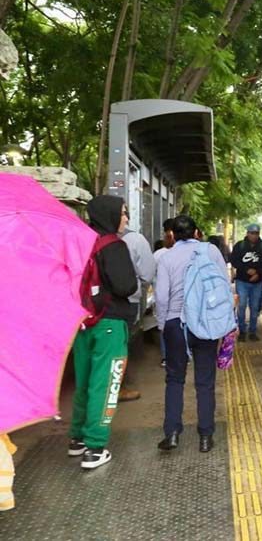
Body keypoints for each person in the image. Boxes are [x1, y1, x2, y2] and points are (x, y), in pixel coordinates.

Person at [68, 195, 138, 470]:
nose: (126, 218)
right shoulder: (113, 245)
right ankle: (95, 448)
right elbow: (126, 286)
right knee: (105, 384)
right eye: (123, 213)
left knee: (84, 381)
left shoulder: (80, 242)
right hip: (110, 324)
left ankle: (77, 439)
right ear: (110, 215)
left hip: (84, 323)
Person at [154, 215, 229, 454]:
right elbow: (223, 287)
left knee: (175, 379)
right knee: (205, 382)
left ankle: (172, 433)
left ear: (172, 235)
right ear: (197, 232)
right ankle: (206, 436)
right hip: (206, 324)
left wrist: (163, 325)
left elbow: (162, 297)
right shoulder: (211, 251)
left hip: (176, 324)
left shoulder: (166, 258)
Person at [119, 225, 156, 401]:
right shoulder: (134, 239)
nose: (126, 218)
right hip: (127, 301)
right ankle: (118, 387)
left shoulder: (89, 236)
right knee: (121, 344)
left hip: (95, 305)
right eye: (123, 213)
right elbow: (147, 274)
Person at [231, 224, 262, 342]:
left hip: (257, 283)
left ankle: (253, 331)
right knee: (242, 305)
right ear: (247, 233)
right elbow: (234, 260)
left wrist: (258, 274)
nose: (254, 236)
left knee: (254, 307)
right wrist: (247, 270)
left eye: (256, 233)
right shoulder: (240, 246)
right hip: (242, 281)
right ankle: (242, 331)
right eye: (252, 233)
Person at [153, 218, 175, 368]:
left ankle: (166, 357)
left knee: (163, 326)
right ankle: (183, 355)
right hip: (180, 299)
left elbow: (148, 273)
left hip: (162, 298)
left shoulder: (158, 254)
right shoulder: (188, 253)